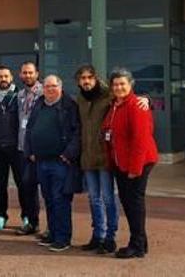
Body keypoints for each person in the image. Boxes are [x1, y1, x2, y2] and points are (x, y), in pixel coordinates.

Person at [102, 68, 159, 259]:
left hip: (137, 164)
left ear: (130, 84)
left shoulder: (136, 106)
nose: (118, 87)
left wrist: (135, 168)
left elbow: (140, 140)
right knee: (128, 203)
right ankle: (141, 241)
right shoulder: (115, 105)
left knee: (134, 204)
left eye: (122, 84)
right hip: (121, 163)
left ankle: (137, 246)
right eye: (115, 84)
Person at [24, 75, 81, 253]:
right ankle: (53, 233)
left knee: (60, 199)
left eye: (53, 86)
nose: (49, 89)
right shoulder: (39, 104)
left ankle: (63, 238)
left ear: (61, 87)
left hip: (60, 162)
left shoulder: (69, 105)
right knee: (48, 198)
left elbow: (77, 132)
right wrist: (30, 151)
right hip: (41, 161)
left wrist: (68, 154)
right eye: (47, 86)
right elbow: (30, 129)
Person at [74, 64, 119, 255]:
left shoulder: (109, 95)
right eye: (82, 78)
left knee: (108, 198)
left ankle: (110, 237)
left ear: (95, 78)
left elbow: (128, 99)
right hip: (88, 157)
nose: (86, 81)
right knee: (94, 198)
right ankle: (97, 235)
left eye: (89, 78)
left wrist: (146, 99)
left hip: (105, 157)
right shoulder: (79, 100)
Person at [0, 66, 26, 232]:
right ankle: (1, 216)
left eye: (6, 76)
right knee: (0, 185)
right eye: (0, 76)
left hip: (17, 148)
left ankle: (26, 216)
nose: (3, 79)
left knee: (22, 184)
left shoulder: (20, 96)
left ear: (11, 78)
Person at [14, 61, 43, 236]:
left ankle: (53, 228)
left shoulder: (44, 92)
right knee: (26, 187)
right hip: (22, 148)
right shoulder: (20, 95)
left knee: (47, 190)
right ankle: (32, 222)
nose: (27, 76)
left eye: (30, 72)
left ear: (37, 74)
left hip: (38, 150)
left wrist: (144, 97)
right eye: (24, 73)